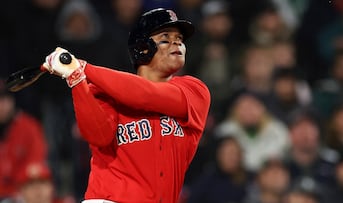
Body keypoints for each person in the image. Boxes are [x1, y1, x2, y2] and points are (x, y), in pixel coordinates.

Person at [40, 8, 211, 203]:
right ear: (143, 47)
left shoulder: (195, 91)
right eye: (165, 37)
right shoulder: (108, 92)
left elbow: (146, 95)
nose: (177, 42)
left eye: (179, 38)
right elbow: (98, 136)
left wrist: (84, 68)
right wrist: (77, 80)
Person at [0, 78, 48, 200]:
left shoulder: (28, 127)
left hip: (20, 194)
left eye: (4, 99)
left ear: (12, 100)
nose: (1, 105)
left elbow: (35, 164)